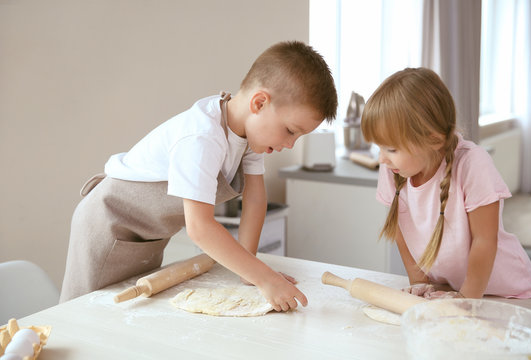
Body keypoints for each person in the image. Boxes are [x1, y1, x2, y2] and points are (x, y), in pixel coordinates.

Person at [60, 41, 338, 311]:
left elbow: (255, 200)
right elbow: (200, 227)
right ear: (260, 103)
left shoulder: (248, 136)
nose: (290, 144)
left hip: (147, 237)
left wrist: (250, 270)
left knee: (123, 317)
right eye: (290, 130)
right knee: (82, 316)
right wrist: (265, 279)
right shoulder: (202, 136)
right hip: (107, 227)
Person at [361, 67, 531, 299]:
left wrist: (467, 299)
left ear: (433, 140)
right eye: (379, 147)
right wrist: (420, 284)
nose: (381, 158)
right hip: (453, 291)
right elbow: (401, 232)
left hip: (507, 294)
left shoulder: (472, 164)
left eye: (391, 149)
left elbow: (485, 241)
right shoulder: (394, 169)